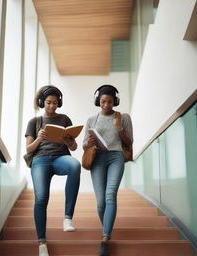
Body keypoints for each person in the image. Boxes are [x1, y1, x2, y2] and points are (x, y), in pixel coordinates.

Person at [25, 85, 81, 256]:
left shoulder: (64, 119)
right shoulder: (34, 122)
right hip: (40, 160)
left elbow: (74, 146)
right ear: (42, 102)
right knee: (41, 198)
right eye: (48, 102)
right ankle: (42, 242)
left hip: (60, 157)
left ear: (59, 103)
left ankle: (67, 219)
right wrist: (39, 139)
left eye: (55, 103)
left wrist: (69, 141)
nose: (51, 106)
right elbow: (28, 149)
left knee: (75, 165)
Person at [83, 85, 133, 256]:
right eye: (103, 101)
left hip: (116, 157)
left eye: (110, 101)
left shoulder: (123, 117)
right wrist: (88, 143)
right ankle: (107, 228)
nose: (106, 105)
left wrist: (119, 127)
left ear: (115, 101)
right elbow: (84, 145)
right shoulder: (91, 120)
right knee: (100, 202)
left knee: (110, 194)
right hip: (97, 158)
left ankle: (105, 238)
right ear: (98, 101)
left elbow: (129, 142)